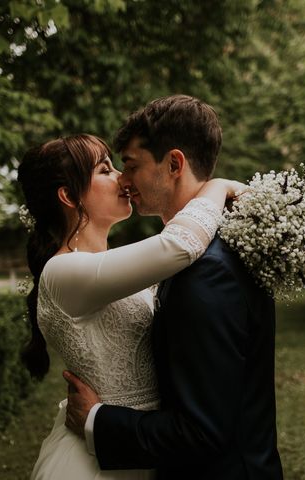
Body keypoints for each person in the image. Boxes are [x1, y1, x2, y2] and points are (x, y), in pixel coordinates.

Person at [64, 95, 284, 480]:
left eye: (130, 165)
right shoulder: (211, 251)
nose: (123, 180)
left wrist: (97, 420)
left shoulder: (207, 274)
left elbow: (201, 432)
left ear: (174, 164)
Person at [18, 132, 242, 480]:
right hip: (95, 463)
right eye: (105, 170)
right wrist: (217, 186)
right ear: (68, 195)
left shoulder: (106, 267)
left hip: (145, 445)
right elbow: (179, 245)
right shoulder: (63, 272)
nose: (122, 177)